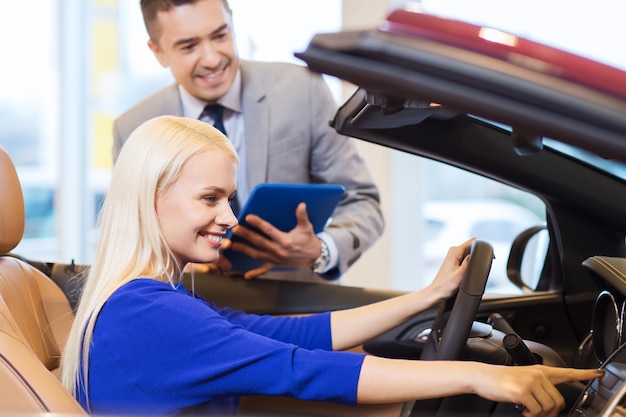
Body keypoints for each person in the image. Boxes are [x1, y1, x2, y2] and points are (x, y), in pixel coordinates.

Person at [61, 115, 602, 417]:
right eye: (210, 199)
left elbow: (296, 335)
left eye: (229, 197)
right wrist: (481, 377)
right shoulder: (147, 314)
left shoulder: (149, 301)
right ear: (150, 196)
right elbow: (299, 367)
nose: (230, 217)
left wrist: (427, 297)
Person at [112, 0, 384, 280]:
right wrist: (173, 260)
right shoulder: (135, 128)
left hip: (294, 307)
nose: (211, 59)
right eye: (189, 46)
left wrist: (321, 250)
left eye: (220, 35)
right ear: (158, 52)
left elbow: (363, 201)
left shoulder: (302, 91)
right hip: (189, 308)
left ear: (232, 23)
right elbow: (130, 236)